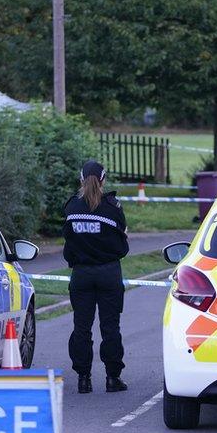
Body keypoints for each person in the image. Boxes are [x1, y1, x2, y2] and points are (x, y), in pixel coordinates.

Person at [62, 160, 129, 394]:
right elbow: (123, 245)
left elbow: (68, 243)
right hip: (109, 273)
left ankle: (83, 378)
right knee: (110, 327)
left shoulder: (72, 207)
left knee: (82, 327)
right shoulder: (113, 207)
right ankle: (113, 378)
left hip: (81, 274)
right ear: (103, 180)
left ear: (81, 179)